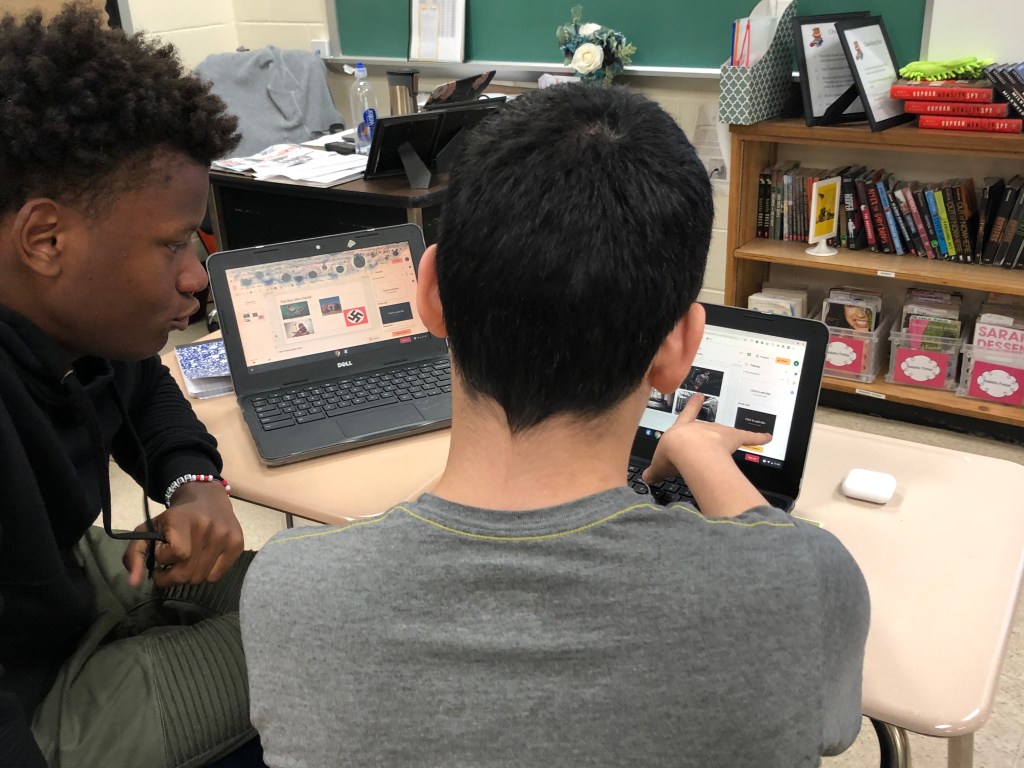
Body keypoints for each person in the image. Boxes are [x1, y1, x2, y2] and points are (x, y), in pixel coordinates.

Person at [241, 84, 870, 767]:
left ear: (430, 294)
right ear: (680, 349)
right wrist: (703, 455)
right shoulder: (808, 584)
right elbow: (831, 728)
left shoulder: (291, 590)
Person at [0, 4, 262, 766]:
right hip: (29, 704)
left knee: (308, 586)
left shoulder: (70, 321)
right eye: (172, 245)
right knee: (326, 636)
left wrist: (194, 480)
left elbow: (141, 387)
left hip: (61, 595)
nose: (196, 277)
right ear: (46, 239)